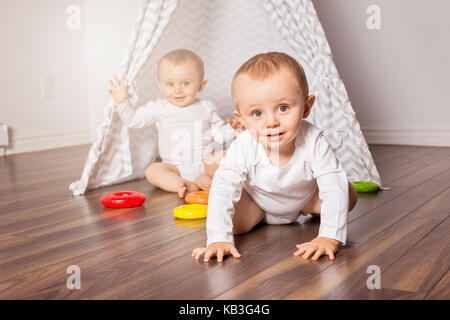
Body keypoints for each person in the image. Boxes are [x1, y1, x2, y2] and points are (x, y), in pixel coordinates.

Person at [192, 52, 358, 262]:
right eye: (257, 113)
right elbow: (224, 187)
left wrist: (328, 237)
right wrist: (217, 239)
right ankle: (215, 180)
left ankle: (305, 214)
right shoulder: (244, 144)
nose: (271, 122)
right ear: (241, 119)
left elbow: (332, 182)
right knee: (230, 222)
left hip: (304, 200)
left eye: (283, 108)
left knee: (347, 194)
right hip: (257, 201)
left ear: (306, 107)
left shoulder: (314, 140)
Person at [109, 49, 243, 198]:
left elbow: (219, 136)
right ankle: (182, 184)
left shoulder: (206, 107)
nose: (178, 90)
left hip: (204, 164)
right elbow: (134, 120)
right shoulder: (159, 107)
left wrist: (234, 129)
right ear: (160, 86)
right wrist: (121, 102)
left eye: (185, 83)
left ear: (201, 85)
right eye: (170, 84)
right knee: (152, 171)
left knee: (226, 155)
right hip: (175, 168)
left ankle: (204, 180)